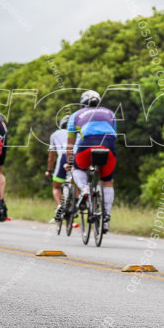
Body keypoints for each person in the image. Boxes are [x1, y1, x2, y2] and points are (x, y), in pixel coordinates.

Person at [66, 89, 118, 233]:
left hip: (86, 144)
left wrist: (70, 163)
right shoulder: (110, 113)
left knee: (77, 169)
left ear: (82, 104)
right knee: (107, 181)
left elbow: (70, 144)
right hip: (108, 143)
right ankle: (106, 217)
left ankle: (84, 188)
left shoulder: (75, 115)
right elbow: (113, 135)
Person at [47, 115, 72, 220]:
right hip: (77, 157)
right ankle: (76, 202)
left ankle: (60, 206)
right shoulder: (77, 132)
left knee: (56, 187)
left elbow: (51, 156)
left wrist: (49, 170)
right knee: (77, 182)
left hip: (63, 157)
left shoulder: (55, 134)